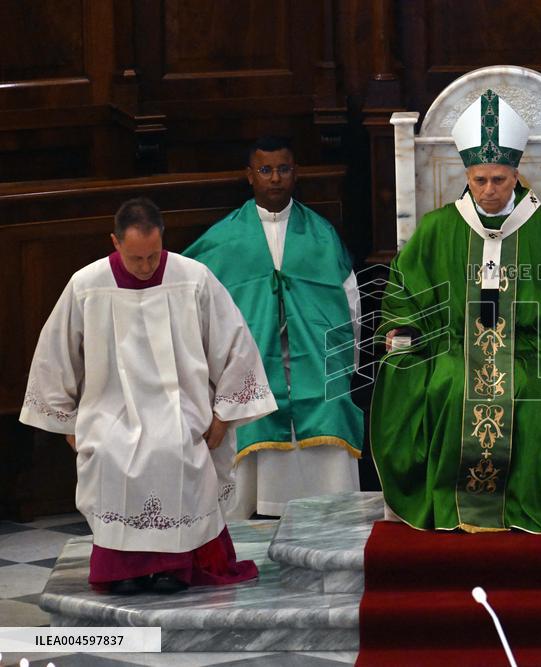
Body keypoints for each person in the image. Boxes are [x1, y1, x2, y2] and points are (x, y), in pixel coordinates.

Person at [370, 89, 541, 533]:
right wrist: (402, 327)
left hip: (531, 351)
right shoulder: (438, 229)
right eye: (479, 179)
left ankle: (525, 504)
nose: (488, 190)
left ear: (516, 174)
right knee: (447, 387)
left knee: (533, 393)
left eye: (499, 180)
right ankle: (453, 505)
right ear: (466, 174)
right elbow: (405, 294)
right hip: (454, 350)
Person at [20, 198, 276, 595]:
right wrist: (69, 425)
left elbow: (235, 346)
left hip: (183, 409)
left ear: (163, 240)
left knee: (173, 448)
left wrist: (224, 415)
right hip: (110, 411)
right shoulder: (87, 285)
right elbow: (55, 355)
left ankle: (175, 566)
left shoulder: (193, 278)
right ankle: (123, 569)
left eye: (153, 256)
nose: (145, 267)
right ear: (115, 242)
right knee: (109, 451)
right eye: (136, 257)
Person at [184, 136, 363, 518]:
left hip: (315, 367)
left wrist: (344, 367)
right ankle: (257, 507)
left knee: (329, 406)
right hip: (256, 367)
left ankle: (332, 507)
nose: (275, 178)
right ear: (250, 176)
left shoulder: (321, 235)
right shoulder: (222, 240)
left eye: (283, 169)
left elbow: (350, 307)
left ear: (295, 173)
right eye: (265, 170)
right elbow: (193, 310)